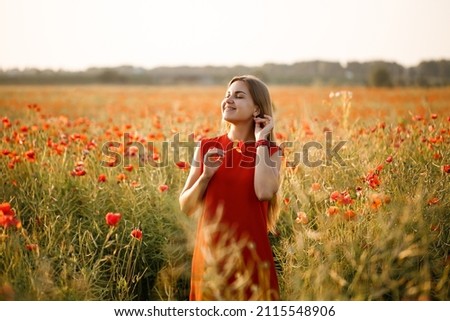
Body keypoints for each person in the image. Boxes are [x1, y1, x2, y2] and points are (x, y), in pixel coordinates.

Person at [179, 75, 282, 300]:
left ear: (257, 108)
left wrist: (261, 140)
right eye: (227, 95)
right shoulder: (207, 146)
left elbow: (263, 192)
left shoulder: (271, 152)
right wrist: (205, 176)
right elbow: (185, 206)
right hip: (211, 258)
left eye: (239, 95)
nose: (228, 100)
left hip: (252, 258)